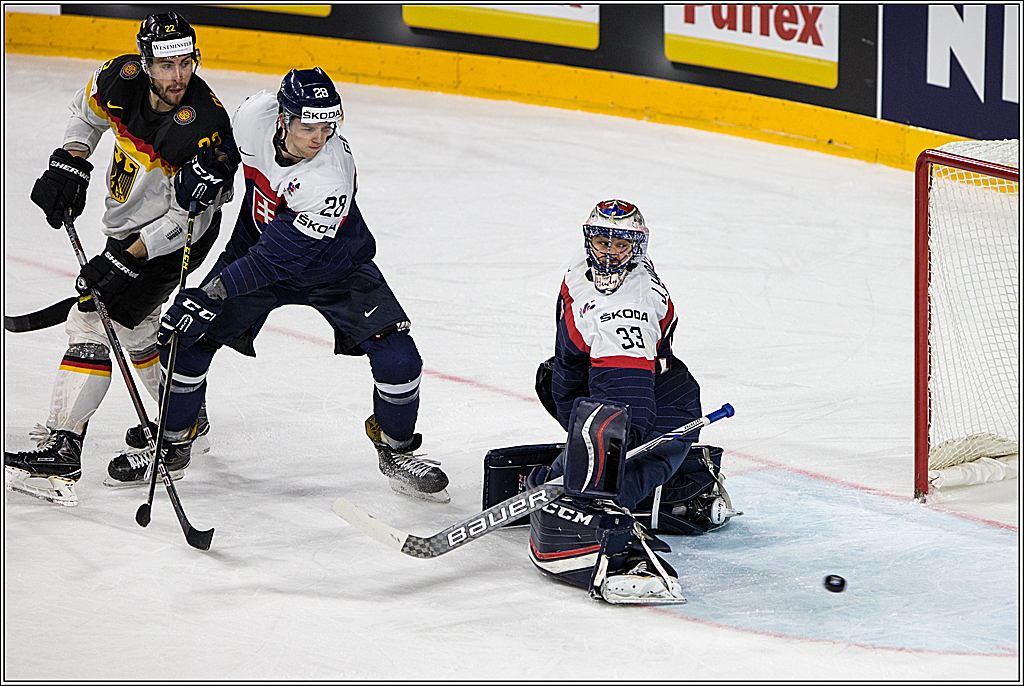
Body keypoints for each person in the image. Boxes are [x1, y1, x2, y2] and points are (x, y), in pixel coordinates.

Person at [102, 67, 450, 503]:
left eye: (328, 126)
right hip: (255, 248)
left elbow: (273, 262)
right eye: (309, 126)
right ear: (282, 118)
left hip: (333, 268)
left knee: (399, 359)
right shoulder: (256, 114)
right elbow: (235, 148)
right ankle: (173, 443)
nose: (318, 137)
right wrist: (214, 167)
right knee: (188, 340)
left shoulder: (330, 177)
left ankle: (396, 450)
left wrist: (210, 294)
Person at [5, 12, 235, 506]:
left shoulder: (205, 127)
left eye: (186, 63)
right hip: (127, 226)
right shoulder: (121, 78)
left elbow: (186, 219)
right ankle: (186, 415)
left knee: (90, 320)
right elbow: (86, 112)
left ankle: (63, 448)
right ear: (145, 61)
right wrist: (70, 159)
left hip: (172, 242)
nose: (179, 76)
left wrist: (128, 260)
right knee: (137, 332)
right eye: (166, 64)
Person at [527, 199, 724, 603]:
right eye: (601, 241)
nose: (609, 253)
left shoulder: (631, 306)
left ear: (638, 247)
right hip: (610, 390)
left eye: (621, 245)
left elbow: (627, 398)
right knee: (552, 381)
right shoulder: (580, 275)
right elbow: (572, 362)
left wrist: (601, 466)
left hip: (661, 409)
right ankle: (575, 477)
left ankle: (612, 515)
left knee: (613, 467)